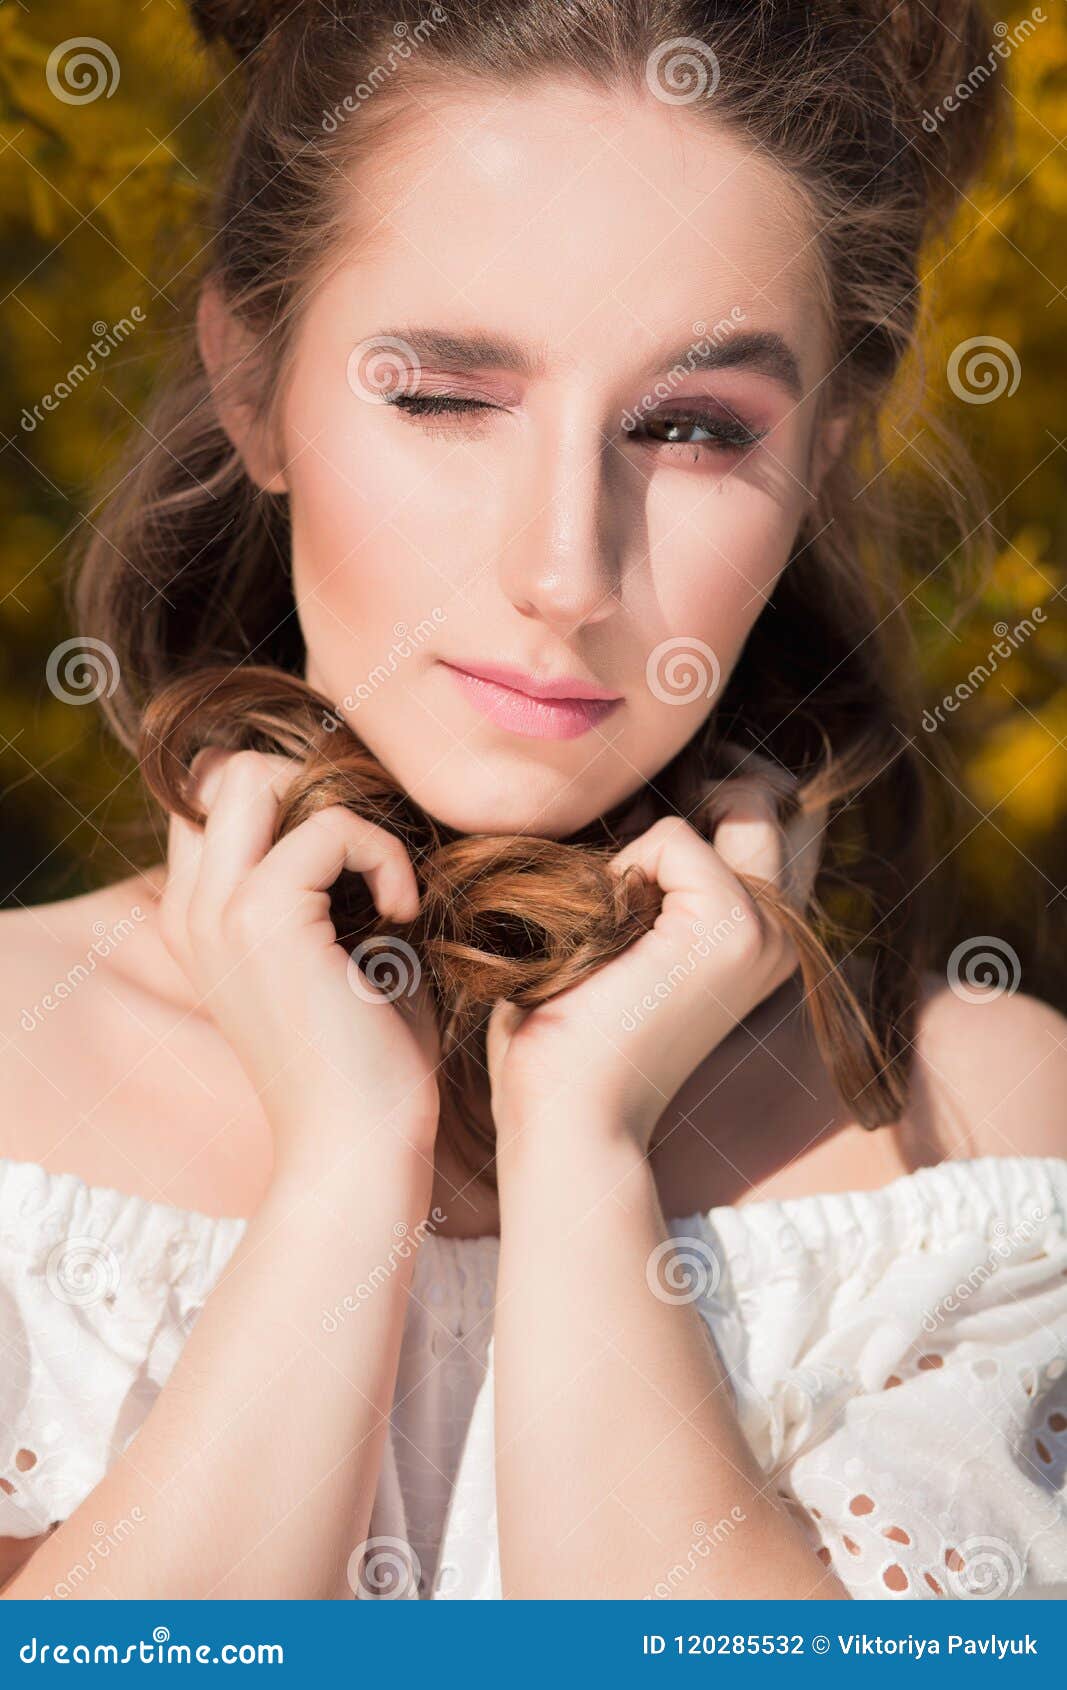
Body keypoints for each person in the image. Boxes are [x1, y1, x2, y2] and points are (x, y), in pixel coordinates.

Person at [0, 0, 1064, 1602]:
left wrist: (585, 1159)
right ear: (249, 379)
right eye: (440, 396)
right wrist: (353, 1167)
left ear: (825, 454)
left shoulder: (988, 1134)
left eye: (696, 429)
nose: (564, 572)